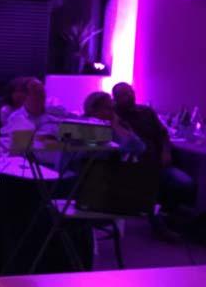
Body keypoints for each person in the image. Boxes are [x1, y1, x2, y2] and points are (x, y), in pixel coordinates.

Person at [112, 82, 195, 212]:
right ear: (115, 98)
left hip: (156, 164)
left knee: (185, 183)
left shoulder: (146, 112)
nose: (130, 95)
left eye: (131, 92)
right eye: (124, 94)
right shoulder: (113, 117)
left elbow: (163, 134)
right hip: (130, 167)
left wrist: (166, 152)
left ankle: (166, 212)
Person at [83, 91, 146, 156]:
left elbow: (140, 148)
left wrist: (116, 126)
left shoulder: (116, 126)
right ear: (94, 111)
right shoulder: (83, 128)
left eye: (113, 108)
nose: (112, 112)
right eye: (108, 108)